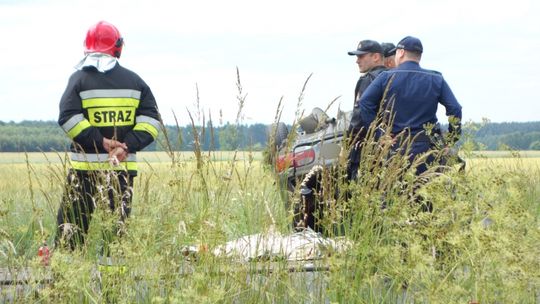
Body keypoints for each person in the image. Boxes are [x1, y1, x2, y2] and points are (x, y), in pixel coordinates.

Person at [55, 21, 161, 251]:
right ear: (118, 47)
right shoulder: (136, 82)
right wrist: (127, 146)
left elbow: (67, 117)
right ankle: (113, 285)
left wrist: (98, 141)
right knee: (116, 237)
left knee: (69, 236)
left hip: (82, 174)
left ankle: (65, 284)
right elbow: (152, 121)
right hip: (120, 174)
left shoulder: (78, 80)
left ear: (87, 48)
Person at [358, 36, 462, 177]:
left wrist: (380, 135)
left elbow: (364, 103)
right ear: (419, 55)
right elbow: (455, 108)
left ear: (400, 53)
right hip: (428, 149)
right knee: (426, 193)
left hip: (396, 148)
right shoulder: (436, 78)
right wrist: (450, 140)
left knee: (396, 194)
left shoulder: (386, 77)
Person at [346, 40, 387, 181]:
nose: (357, 61)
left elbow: (358, 120)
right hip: (391, 149)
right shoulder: (394, 77)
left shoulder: (368, 80)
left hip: (366, 151)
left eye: (361, 56)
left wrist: (348, 145)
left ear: (375, 57)